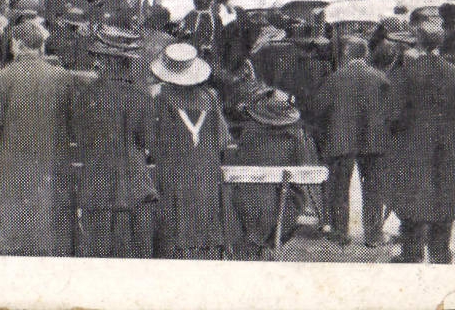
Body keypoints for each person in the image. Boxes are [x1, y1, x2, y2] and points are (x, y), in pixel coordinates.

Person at [0, 20, 82, 255]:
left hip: (12, 167)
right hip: (51, 166)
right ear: (40, 46)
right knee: (49, 233)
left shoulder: (3, 77)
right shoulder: (63, 77)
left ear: (16, 44)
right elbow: (74, 123)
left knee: (9, 232)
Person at [385, 20, 455, 263]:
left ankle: (411, 253)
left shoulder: (405, 74)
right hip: (448, 146)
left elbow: (393, 116)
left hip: (413, 147)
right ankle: (441, 253)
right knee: (444, 198)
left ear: (417, 41)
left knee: (412, 199)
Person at [71, 26, 156, 258]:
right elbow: (149, 140)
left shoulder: (88, 94)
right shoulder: (141, 96)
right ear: (127, 62)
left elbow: (79, 135)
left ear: (104, 60)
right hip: (134, 185)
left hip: (96, 182)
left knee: (96, 254)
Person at [150, 42, 231, 260]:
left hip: (173, 170)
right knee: (205, 225)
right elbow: (223, 139)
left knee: (174, 230)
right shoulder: (211, 97)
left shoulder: (160, 97)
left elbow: (151, 140)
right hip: (205, 170)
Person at [310, 36, 392, 246]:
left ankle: (340, 233)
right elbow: (390, 111)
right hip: (374, 141)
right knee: (374, 188)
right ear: (366, 54)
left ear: (346, 53)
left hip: (341, 139)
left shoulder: (335, 78)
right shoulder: (380, 78)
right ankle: (373, 235)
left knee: (339, 187)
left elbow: (318, 110)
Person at [226, 89, 320, 259]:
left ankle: (255, 244)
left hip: (248, 204)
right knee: (295, 197)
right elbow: (301, 170)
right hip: (281, 208)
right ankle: (268, 243)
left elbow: (239, 161)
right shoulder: (295, 136)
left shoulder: (250, 133)